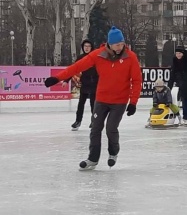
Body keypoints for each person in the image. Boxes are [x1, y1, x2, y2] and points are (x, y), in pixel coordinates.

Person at [44, 26, 142, 170]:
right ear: (110, 43)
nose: (120, 47)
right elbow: (77, 67)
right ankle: (92, 159)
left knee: (111, 128)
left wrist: (133, 102)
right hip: (101, 99)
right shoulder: (98, 55)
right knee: (95, 129)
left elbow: (137, 80)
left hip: (119, 101)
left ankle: (113, 152)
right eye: (117, 44)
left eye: (122, 44)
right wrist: (57, 78)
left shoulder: (130, 56)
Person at [63, 39, 99, 131]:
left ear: (91, 48)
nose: (87, 48)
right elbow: (73, 69)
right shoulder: (80, 57)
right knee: (81, 104)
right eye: (85, 46)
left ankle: (94, 121)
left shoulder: (96, 57)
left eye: (88, 46)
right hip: (85, 83)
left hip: (95, 83)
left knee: (93, 104)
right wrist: (66, 80)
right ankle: (78, 121)